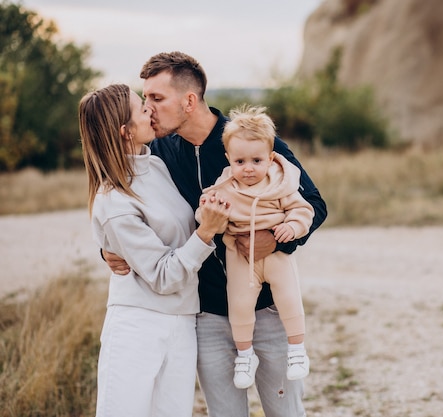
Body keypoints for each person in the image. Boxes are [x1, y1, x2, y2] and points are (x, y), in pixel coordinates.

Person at [103, 52, 327, 417]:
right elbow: (127, 214)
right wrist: (109, 250)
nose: (149, 109)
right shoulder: (155, 155)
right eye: (145, 100)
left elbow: (314, 203)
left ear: (189, 101)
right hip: (207, 316)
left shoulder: (249, 141)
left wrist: (277, 238)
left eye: (156, 99)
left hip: (268, 309)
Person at [79, 84, 231, 417]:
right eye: (141, 108)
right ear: (124, 132)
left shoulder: (155, 164)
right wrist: (206, 232)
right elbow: (163, 276)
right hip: (139, 325)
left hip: (183, 320)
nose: (149, 109)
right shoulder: (114, 201)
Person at [196, 105, 314, 389]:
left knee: (288, 296)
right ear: (229, 160)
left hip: (276, 251)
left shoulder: (280, 183)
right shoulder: (224, 187)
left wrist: (292, 228)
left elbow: (304, 209)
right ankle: (245, 355)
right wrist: (209, 212)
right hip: (239, 256)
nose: (248, 168)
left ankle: (297, 349)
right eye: (240, 162)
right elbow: (206, 215)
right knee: (239, 303)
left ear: (271, 158)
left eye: (256, 161)